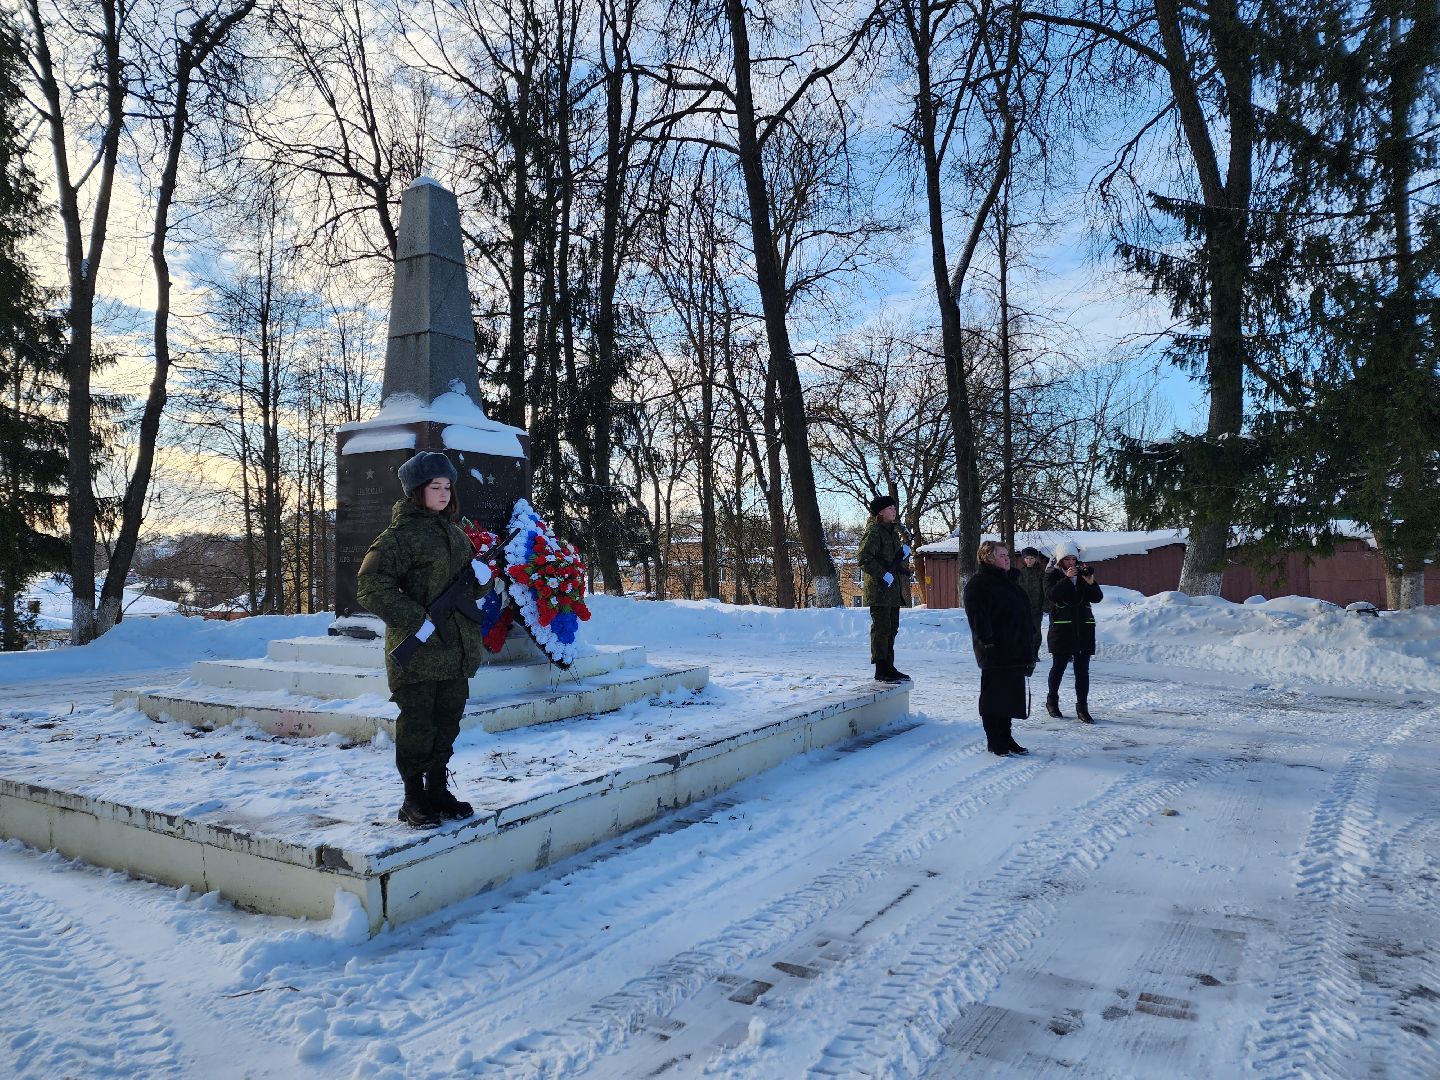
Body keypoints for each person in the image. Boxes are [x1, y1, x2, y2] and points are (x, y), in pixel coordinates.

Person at [357, 451, 488, 828]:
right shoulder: (399, 537)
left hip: (455, 652)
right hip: (419, 655)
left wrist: (481, 582)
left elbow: (470, 593)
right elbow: (370, 587)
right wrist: (418, 618)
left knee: (447, 721)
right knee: (418, 724)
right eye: (435, 487)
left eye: (448, 486)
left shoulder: (456, 534)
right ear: (417, 491)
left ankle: (437, 791)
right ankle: (413, 798)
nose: (444, 493)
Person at [962, 540, 1035, 756]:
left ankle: (1006, 736)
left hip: (1015, 649)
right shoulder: (979, 584)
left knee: (1010, 696)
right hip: (995, 650)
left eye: (1007, 555)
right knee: (994, 697)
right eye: (1002, 555)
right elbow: (978, 618)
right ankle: (995, 740)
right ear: (988, 557)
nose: (1007, 559)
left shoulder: (1010, 582)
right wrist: (988, 642)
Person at [1044, 540, 1102, 723]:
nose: (1071, 563)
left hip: (1083, 628)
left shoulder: (1083, 574)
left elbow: (1098, 598)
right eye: (1067, 559)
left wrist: (1091, 582)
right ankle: (1052, 701)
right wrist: (1067, 579)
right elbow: (1051, 596)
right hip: (1062, 628)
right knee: (1058, 667)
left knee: (1082, 671)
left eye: (1073, 559)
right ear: (1060, 560)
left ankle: (1082, 708)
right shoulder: (1051, 575)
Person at [858, 494, 912, 683]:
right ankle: (881, 668)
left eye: (895, 508)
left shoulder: (891, 531)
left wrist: (902, 554)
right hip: (880, 590)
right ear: (880, 512)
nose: (894, 511)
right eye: (891, 508)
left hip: (892, 591)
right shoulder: (875, 531)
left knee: (892, 628)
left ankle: (889, 666)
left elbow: (890, 559)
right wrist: (883, 574)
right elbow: (864, 558)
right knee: (882, 629)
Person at [1014, 546, 1046, 662]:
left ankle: (1034, 653)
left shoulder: (1041, 574)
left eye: (1031, 558)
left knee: (1036, 631)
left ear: (1036, 559)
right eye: (1027, 558)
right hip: (1022, 608)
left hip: (1036, 608)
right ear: (1023, 559)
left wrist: (1045, 605)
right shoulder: (1019, 573)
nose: (1029, 560)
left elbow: (1045, 590)